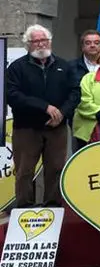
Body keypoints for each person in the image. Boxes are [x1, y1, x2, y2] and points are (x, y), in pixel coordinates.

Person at [6, 25, 78, 207]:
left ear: (50, 42)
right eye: (35, 41)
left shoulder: (64, 65)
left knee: (55, 169)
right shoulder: (17, 67)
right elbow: (12, 95)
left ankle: (53, 207)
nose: (40, 44)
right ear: (28, 45)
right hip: (26, 128)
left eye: (43, 40)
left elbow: (75, 93)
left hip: (57, 128)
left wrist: (61, 113)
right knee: (24, 171)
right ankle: (23, 208)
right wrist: (44, 107)